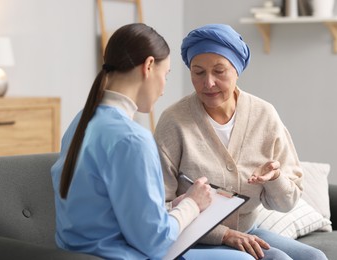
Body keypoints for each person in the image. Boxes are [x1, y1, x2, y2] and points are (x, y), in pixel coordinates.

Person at [51, 23, 256, 260]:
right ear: (149, 66)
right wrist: (192, 204)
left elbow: (113, 211)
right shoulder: (132, 139)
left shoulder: (81, 121)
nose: (162, 89)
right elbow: (155, 243)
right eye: (166, 75)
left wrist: (173, 208)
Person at [154, 24, 328, 260]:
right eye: (198, 72)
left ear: (237, 69)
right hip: (192, 237)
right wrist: (224, 234)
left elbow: (289, 201)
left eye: (219, 71)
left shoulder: (265, 115)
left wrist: (275, 179)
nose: (209, 83)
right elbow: (159, 206)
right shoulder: (173, 121)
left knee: (314, 257)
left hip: (247, 230)